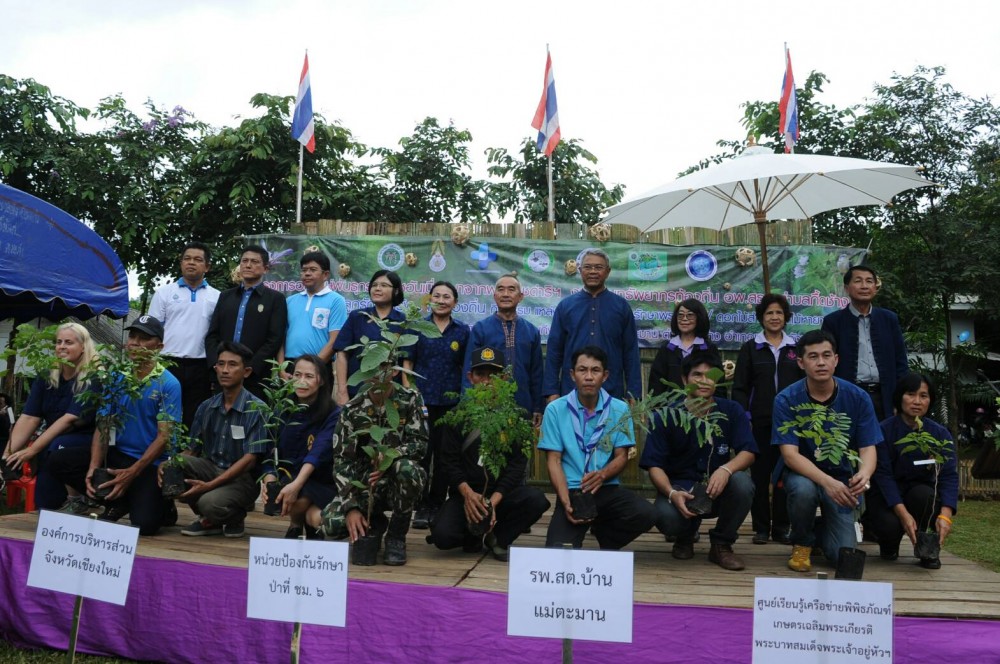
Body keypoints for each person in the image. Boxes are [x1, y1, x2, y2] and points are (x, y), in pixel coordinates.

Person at [47, 316, 182, 534]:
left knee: (145, 525)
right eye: (133, 336)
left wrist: (132, 472)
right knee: (59, 460)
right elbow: (103, 425)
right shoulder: (117, 377)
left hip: (150, 463)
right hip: (118, 454)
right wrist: (94, 466)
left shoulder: (168, 383)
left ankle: (164, 506)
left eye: (144, 338)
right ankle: (117, 502)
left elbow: (164, 437)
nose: (135, 343)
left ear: (159, 347)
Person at [772, 330, 881, 573]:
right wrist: (827, 482)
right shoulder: (786, 399)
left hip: (842, 476)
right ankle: (802, 541)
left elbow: (867, 447)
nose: (821, 362)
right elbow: (790, 455)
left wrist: (864, 474)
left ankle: (819, 529)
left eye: (826, 355)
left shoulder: (858, 398)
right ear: (801, 363)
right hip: (802, 474)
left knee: (841, 556)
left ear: (836, 359)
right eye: (813, 356)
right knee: (803, 490)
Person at [428, 347, 550, 561]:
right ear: (470, 378)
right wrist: (468, 495)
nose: (486, 381)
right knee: (442, 536)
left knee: (536, 500)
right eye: (480, 375)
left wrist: (492, 503)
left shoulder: (516, 417)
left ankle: (499, 537)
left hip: (502, 496)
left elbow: (517, 467)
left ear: (504, 379)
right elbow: (448, 462)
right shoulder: (457, 416)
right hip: (466, 495)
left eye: (493, 376)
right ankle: (473, 535)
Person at [640, 351, 756, 570]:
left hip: (716, 489)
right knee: (665, 517)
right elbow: (654, 465)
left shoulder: (731, 410)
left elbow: (748, 451)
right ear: (685, 380)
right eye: (697, 375)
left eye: (710, 375)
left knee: (742, 483)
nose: (704, 381)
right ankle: (684, 536)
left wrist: (726, 470)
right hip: (679, 490)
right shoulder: (666, 415)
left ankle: (721, 544)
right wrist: (671, 493)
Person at [539, 345, 656, 549]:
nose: (589, 377)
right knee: (557, 551)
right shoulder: (555, 410)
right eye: (582, 370)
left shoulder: (619, 409)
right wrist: (565, 500)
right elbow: (554, 460)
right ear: (572, 375)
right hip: (573, 490)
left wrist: (602, 475)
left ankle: (606, 538)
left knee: (648, 513)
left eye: (595, 370)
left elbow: (622, 455)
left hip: (605, 487)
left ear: (605, 376)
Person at [316, 374, 428, 565]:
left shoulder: (410, 399)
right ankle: (375, 522)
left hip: (396, 481)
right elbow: (342, 461)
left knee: (408, 470)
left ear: (393, 370)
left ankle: (396, 535)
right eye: (371, 367)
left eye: (383, 366)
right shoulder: (353, 408)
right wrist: (351, 507)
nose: (377, 374)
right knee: (331, 525)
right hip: (364, 485)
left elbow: (420, 445)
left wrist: (391, 456)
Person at [174, 341, 269, 538]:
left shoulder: (257, 409)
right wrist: (168, 465)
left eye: (232, 365)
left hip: (242, 479)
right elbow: (192, 449)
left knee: (209, 503)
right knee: (175, 466)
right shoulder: (206, 407)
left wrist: (209, 486)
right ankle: (210, 520)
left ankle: (234, 516)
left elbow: (250, 460)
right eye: (221, 364)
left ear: (246, 372)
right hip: (212, 468)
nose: (225, 370)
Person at [864, 373, 957, 569]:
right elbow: (884, 476)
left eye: (923, 396)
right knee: (889, 525)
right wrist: (903, 514)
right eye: (911, 394)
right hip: (887, 497)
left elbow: (948, 475)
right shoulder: (883, 431)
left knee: (925, 496)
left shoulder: (940, 434)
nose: (917, 401)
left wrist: (945, 515)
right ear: (900, 397)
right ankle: (889, 545)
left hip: (919, 494)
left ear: (931, 400)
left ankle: (926, 547)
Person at [731, 293, 803, 545]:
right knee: (760, 477)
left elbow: (804, 386)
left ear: (786, 317)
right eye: (769, 313)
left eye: (779, 313)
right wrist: (745, 418)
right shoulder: (751, 348)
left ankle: (781, 527)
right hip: (758, 423)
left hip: (790, 424)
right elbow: (740, 388)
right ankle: (761, 528)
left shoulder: (796, 349)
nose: (774, 317)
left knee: (783, 477)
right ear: (761, 317)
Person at [3, 323, 99, 510]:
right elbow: (29, 417)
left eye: (68, 342)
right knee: (45, 503)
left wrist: (32, 450)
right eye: (58, 342)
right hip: (51, 442)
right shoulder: (47, 376)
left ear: (83, 347)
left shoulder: (92, 378)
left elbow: (68, 419)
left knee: (58, 445)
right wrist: (8, 454)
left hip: (86, 441)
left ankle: (78, 500)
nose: (61, 346)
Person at [402, 281, 469, 529]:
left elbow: (465, 367)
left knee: (444, 457)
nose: (441, 300)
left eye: (446, 297)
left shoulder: (462, 331)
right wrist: (411, 393)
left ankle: (437, 504)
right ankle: (420, 506)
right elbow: (407, 363)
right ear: (430, 299)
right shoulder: (418, 327)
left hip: (451, 404)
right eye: (437, 296)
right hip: (422, 401)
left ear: (455, 302)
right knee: (422, 454)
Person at [544, 248, 641, 402]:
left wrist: (633, 393)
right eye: (588, 267)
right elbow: (554, 351)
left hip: (612, 393)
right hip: (571, 393)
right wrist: (551, 391)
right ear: (580, 270)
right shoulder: (565, 306)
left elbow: (631, 352)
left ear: (608, 272)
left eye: (598, 267)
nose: (593, 271)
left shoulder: (621, 306)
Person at [261, 355, 340, 540]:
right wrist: (269, 481)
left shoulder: (333, 413)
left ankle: (299, 523)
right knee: (285, 496)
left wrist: (296, 486)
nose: (301, 381)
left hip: (321, 480)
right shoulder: (281, 410)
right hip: (290, 476)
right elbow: (269, 451)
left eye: (309, 376)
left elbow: (318, 451)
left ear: (321, 381)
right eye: (297, 375)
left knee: (302, 502)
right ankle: (297, 525)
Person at [822, 265, 908, 421]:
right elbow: (827, 363)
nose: (864, 286)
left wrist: (899, 400)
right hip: (847, 396)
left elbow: (901, 362)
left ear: (875, 288)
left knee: (884, 436)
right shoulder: (833, 322)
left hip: (884, 398)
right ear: (846, 288)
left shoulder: (889, 319)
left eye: (869, 281)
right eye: (858, 281)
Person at [148, 241, 220, 427]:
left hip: (201, 365)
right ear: (181, 263)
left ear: (207, 266)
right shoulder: (163, 293)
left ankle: (191, 446)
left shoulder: (217, 297)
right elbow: (153, 332)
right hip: (168, 363)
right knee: (163, 414)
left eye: (197, 259)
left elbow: (218, 334)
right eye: (187, 258)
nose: (191, 262)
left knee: (195, 417)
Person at [205, 244, 288, 400]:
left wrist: (250, 367)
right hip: (223, 374)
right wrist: (217, 364)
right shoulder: (225, 296)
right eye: (244, 261)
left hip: (256, 376)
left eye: (254, 262)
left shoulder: (275, 299)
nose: (248, 265)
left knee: (253, 414)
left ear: (265, 269)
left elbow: (274, 339)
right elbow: (212, 335)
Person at [463, 274, 544, 425]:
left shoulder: (531, 331)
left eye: (511, 289)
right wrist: (469, 404)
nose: (505, 294)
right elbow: (469, 368)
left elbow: (537, 373)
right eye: (501, 289)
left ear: (520, 297)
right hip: (487, 406)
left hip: (523, 404)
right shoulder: (481, 329)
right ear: (495, 296)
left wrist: (538, 407)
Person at [332, 270, 406, 405]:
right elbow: (342, 353)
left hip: (390, 394)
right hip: (357, 392)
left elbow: (407, 361)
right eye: (374, 285)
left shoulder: (403, 322)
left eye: (384, 285)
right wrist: (342, 391)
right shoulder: (357, 317)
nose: (377, 288)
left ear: (396, 291)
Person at [277, 251, 346, 378]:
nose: (307, 273)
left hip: (320, 366)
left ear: (325, 275)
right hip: (289, 367)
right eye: (304, 270)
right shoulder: (289, 301)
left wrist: (313, 368)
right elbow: (280, 338)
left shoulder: (336, 300)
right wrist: (281, 369)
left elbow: (335, 340)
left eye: (313, 270)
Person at [648, 298, 718, 396]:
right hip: (672, 405)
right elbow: (656, 385)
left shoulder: (709, 349)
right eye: (680, 315)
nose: (684, 319)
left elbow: (718, 385)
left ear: (699, 318)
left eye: (690, 315)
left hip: (702, 404)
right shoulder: (667, 349)